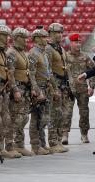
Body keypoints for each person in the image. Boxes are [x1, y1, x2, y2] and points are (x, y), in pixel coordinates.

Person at [0, 25, 22, 159]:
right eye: (6, 35)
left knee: (4, 120)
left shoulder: (2, 51)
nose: (8, 38)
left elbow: (8, 72)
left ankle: (0, 148)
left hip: (4, 90)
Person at [62, 33, 95, 145]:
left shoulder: (85, 57)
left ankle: (84, 134)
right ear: (71, 43)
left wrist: (92, 86)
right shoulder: (65, 57)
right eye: (75, 42)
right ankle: (64, 134)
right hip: (69, 90)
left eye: (79, 42)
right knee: (67, 112)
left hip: (83, 90)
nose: (78, 44)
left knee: (84, 113)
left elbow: (93, 71)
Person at [28, 27, 58, 155]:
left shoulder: (44, 53)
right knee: (36, 118)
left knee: (44, 118)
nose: (47, 39)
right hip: (39, 88)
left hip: (47, 88)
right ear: (38, 39)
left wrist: (54, 88)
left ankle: (42, 143)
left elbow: (49, 72)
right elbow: (31, 74)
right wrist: (36, 90)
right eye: (45, 37)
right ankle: (35, 145)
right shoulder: (33, 53)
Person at [7, 27, 33, 156]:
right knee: (14, 119)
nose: (26, 40)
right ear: (16, 38)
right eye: (24, 38)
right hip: (17, 89)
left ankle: (19, 144)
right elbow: (10, 74)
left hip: (25, 89)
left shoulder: (22, 52)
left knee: (23, 119)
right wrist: (15, 90)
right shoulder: (12, 53)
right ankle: (9, 146)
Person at [46, 23, 71, 153]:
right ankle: (53, 141)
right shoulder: (49, 49)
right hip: (54, 85)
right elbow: (48, 69)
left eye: (61, 33)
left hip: (63, 85)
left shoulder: (61, 49)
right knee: (54, 114)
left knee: (62, 114)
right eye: (57, 33)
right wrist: (53, 88)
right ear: (50, 33)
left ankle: (59, 140)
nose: (60, 35)